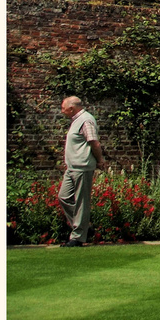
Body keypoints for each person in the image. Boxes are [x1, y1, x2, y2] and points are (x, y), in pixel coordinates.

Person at [57, 95, 107, 247]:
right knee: (63, 197)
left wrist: (99, 161)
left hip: (83, 166)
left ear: (72, 108)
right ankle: (84, 227)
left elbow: (94, 143)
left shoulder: (86, 120)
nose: (62, 111)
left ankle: (78, 237)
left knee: (81, 202)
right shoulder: (75, 121)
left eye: (63, 108)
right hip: (72, 167)